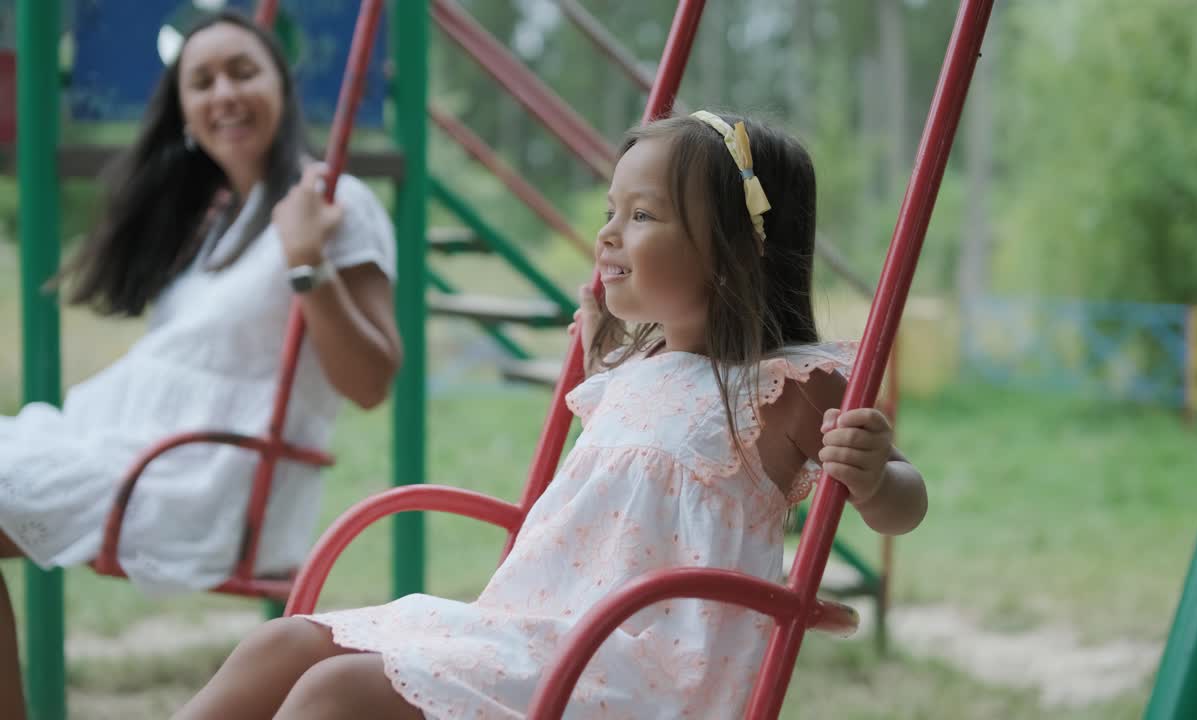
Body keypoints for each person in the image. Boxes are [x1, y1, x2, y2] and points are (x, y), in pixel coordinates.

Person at [175, 111, 927, 720]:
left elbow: (902, 501)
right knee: (282, 645)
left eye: (642, 214)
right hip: (529, 632)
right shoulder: (629, 372)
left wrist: (874, 477)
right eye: (610, 211)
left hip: (638, 671)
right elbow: (644, 428)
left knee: (337, 695)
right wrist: (605, 346)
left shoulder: (789, 386)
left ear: (734, 251)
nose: (608, 233)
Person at [0, 9, 401, 717]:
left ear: (281, 86)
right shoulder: (217, 218)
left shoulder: (332, 202)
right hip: (118, 448)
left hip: (201, 479)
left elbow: (370, 382)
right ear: (183, 110)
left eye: (243, 72)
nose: (225, 94)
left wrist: (307, 260)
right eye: (203, 81)